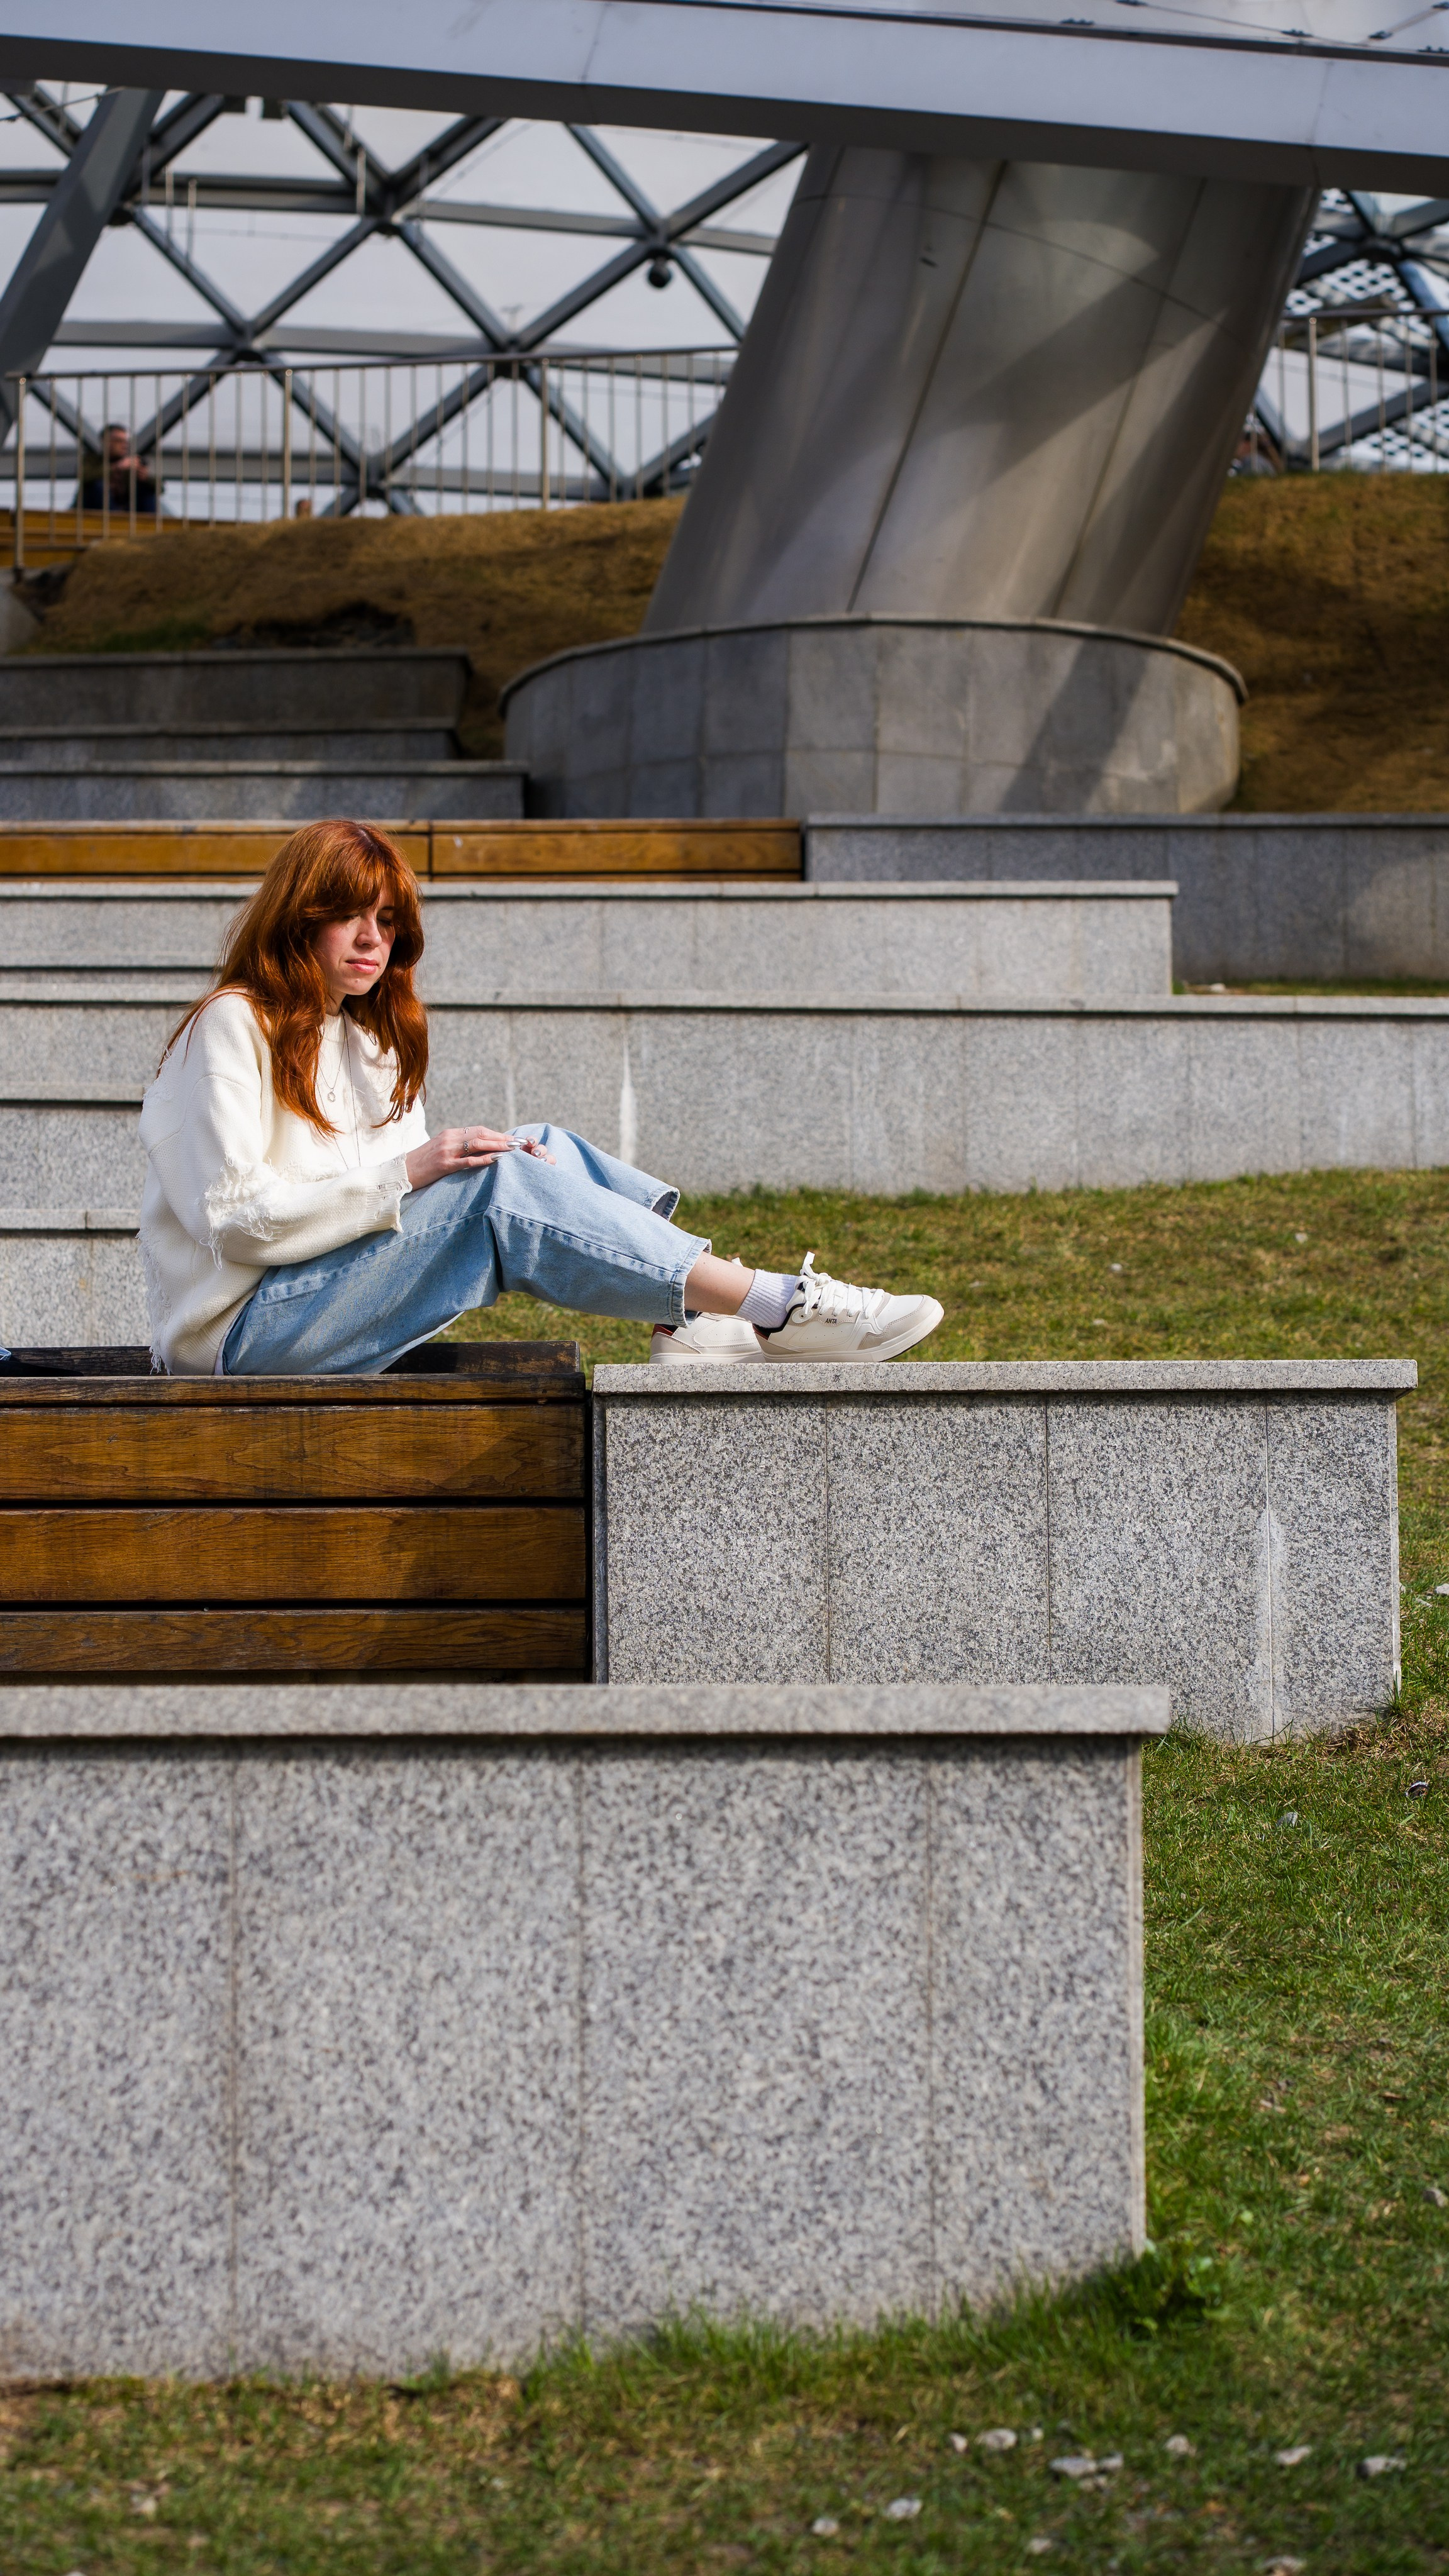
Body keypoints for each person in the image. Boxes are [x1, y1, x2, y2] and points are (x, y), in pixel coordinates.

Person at [138, 819, 944, 1377]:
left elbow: (404, 1212)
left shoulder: (367, 1043)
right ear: (298, 916)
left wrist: (454, 1170)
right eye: (348, 912)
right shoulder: (233, 1024)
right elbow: (234, 1220)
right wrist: (417, 1171)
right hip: (244, 1334)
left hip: (327, 1301)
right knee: (499, 1182)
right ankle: (777, 1306)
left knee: (538, 1146)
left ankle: (690, 1323)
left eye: (387, 919)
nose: (372, 938)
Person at [79, 423, 158, 515]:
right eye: (118, 441)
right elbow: (84, 476)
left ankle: (149, 524)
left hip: (126, 511)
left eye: (125, 441)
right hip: (94, 511)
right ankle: (113, 521)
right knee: (98, 485)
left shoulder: (131, 464)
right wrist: (118, 467)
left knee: (146, 489)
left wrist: (145, 478)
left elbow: (160, 488)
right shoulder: (91, 459)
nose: (124, 445)